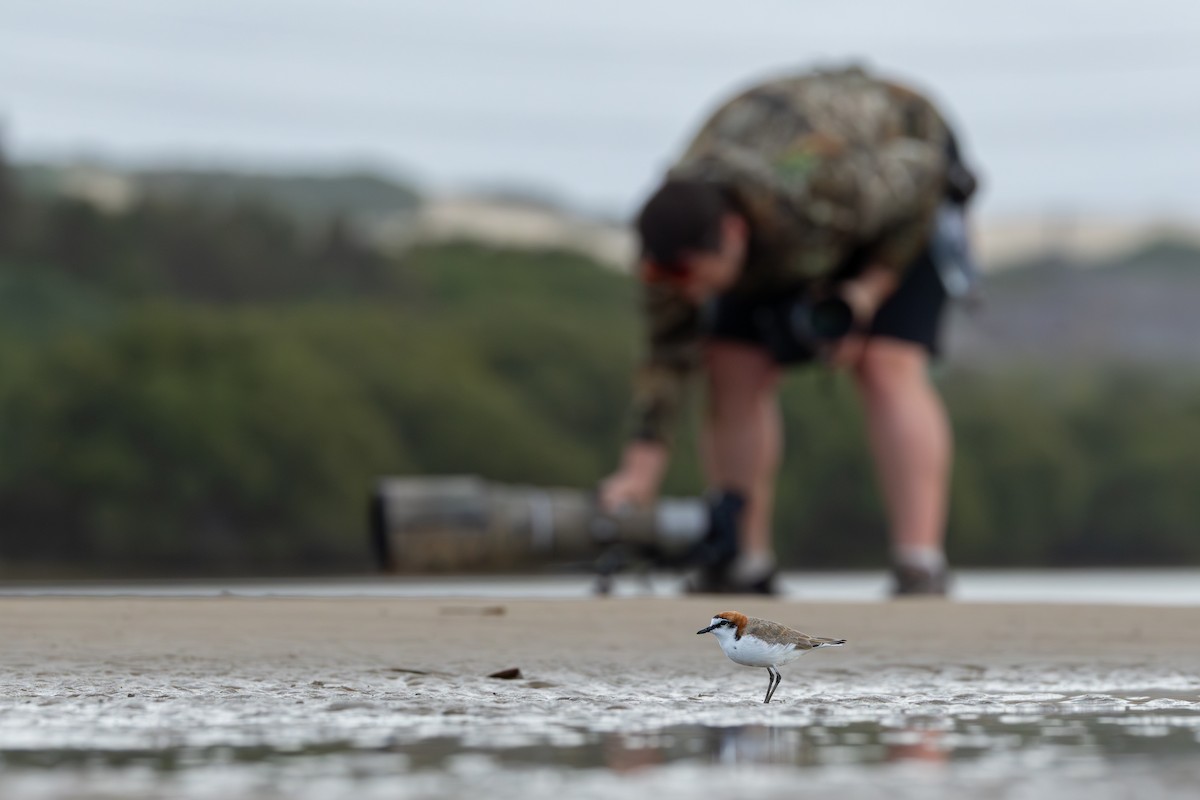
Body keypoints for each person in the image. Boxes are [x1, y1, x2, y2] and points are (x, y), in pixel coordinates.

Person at [599, 64, 979, 596]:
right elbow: (667, 359)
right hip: (792, 233)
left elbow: (925, 182)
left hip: (905, 172)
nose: (682, 291)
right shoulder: (674, 243)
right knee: (730, 362)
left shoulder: (820, 186)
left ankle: (920, 563)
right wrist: (636, 477)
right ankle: (742, 562)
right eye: (665, 277)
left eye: (689, 275)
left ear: (731, 236)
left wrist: (865, 294)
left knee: (886, 361)